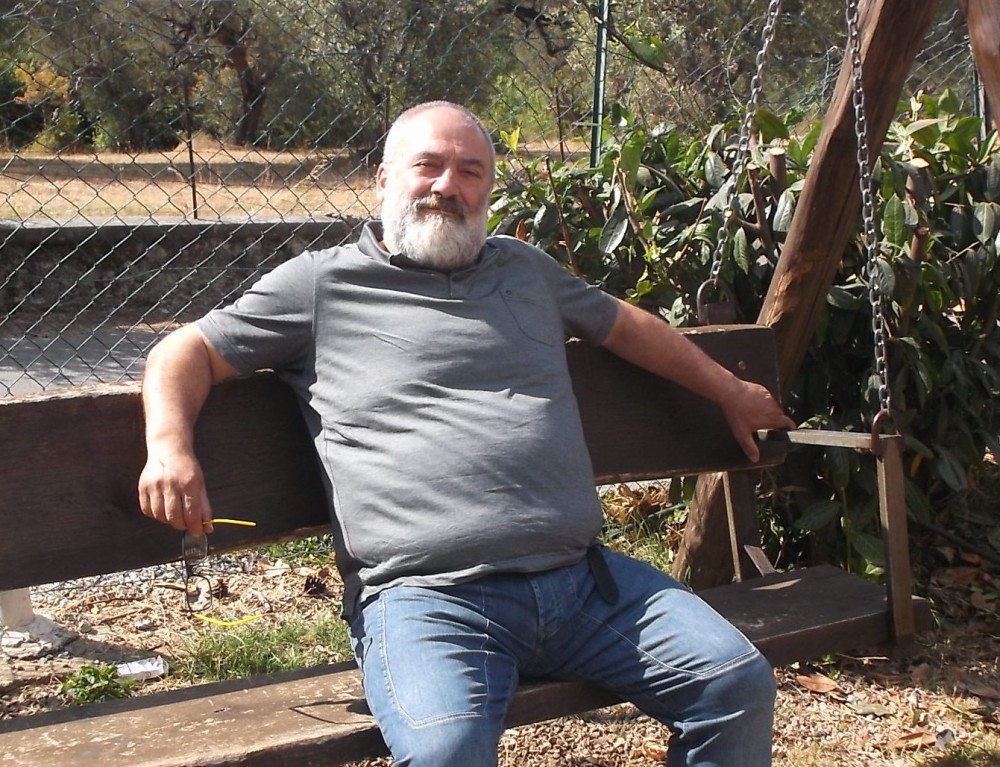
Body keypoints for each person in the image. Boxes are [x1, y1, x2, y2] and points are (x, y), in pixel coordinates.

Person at [138, 100, 796, 767]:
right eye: (427, 165)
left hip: (581, 583)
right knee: (447, 752)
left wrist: (729, 390)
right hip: (428, 600)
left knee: (734, 683)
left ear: (487, 189)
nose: (447, 186)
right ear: (383, 179)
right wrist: (169, 448)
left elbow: (627, 327)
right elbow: (185, 350)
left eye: (470, 171)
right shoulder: (320, 285)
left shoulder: (525, 270)